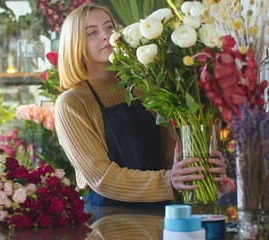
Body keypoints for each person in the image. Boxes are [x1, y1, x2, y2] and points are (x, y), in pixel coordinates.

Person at [54, 3, 227, 206]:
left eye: (109, 27)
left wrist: (200, 168)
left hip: (163, 210)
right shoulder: (72, 103)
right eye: (92, 32)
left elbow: (170, 153)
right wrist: (168, 181)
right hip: (110, 218)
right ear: (74, 45)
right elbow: (102, 178)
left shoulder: (141, 85)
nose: (105, 35)